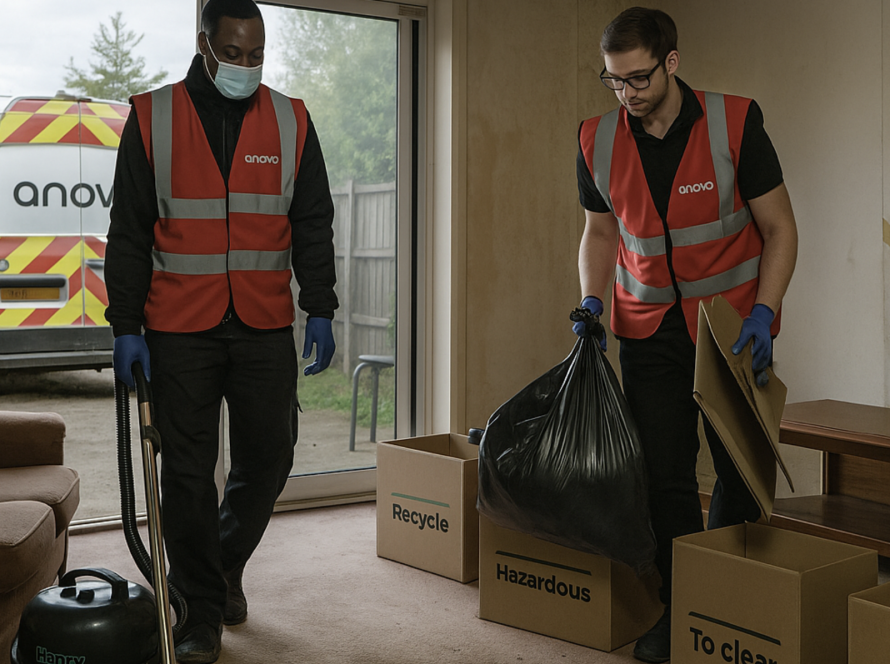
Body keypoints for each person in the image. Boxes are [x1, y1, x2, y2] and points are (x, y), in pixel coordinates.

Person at [104, 0, 338, 661]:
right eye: (233, 54)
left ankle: (220, 563)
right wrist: (125, 325)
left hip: (263, 320)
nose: (245, 67)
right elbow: (129, 231)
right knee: (185, 474)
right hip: (179, 324)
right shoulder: (153, 117)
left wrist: (320, 305)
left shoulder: (291, 119)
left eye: (256, 55)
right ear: (204, 46)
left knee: (270, 457)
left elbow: (312, 218)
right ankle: (199, 613)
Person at [574, 7, 797, 663]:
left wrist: (765, 312)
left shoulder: (734, 122)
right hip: (647, 328)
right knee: (665, 478)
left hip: (731, 328)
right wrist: (590, 301)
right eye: (614, 81)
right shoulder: (597, 138)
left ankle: (723, 588)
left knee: (738, 468)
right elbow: (600, 232)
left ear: (671, 62)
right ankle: (683, 605)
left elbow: (780, 228)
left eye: (638, 78)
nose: (627, 94)